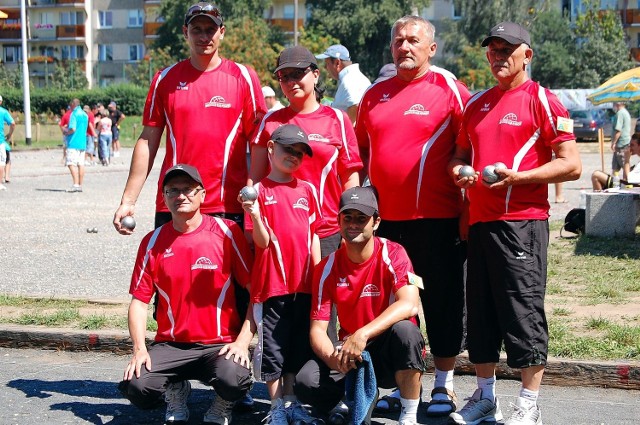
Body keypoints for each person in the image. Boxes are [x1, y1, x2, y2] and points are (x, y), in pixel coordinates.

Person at [448, 22, 581, 425]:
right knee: (482, 314)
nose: (499, 57)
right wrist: (461, 173)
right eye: (493, 50)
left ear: (527, 54)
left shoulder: (543, 100)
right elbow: (457, 157)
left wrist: (518, 178)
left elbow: (572, 164)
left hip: (522, 223)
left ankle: (529, 403)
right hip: (482, 224)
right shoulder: (476, 104)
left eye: (508, 49)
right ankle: (485, 397)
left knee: (522, 312)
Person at [355, 15, 470, 417]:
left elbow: (467, 147)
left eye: (414, 41)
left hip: (437, 219)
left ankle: (445, 384)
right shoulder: (374, 95)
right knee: (392, 307)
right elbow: (363, 155)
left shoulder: (450, 88)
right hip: (387, 224)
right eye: (399, 41)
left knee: (441, 301)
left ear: (431, 48)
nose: (405, 47)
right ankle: (400, 386)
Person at [119, 163, 255, 424]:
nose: (180, 196)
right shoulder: (152, 241)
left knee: (235, 379)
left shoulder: (227, 232)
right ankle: (177, 389)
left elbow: (255, 293)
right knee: (137, 387)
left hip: (220, 343)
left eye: (188, 190)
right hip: (171, 344)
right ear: (164, 198)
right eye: (172, 190)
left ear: (203, 194)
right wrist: (139, 349)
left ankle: (222, 402)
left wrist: (241, 342)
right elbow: (138, 302)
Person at [113, 1, 266, 234]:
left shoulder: (244, 77)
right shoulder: (165, 79)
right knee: (171, 271)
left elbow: (259, 144)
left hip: (226, 204)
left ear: (222, 32)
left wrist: (252, 195)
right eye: (197, 30)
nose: (204, 36)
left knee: (225, 272)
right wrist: (128, 201)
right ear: (186, 32)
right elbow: (147, 141)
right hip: (175, 201)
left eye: (210, 30)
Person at [295, 186, 425, 425]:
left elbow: (410, 304)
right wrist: (335, 360)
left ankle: (408, 416)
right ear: (339, 221)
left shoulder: (394, 252)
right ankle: (348, 399)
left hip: (385, 348)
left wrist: (361, 334)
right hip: (351, 352)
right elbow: (317, 330)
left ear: (376, 222)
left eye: (361, 218)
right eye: (348, 217)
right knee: (306, 381)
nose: (353, 224)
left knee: (407, 332)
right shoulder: (326, 267)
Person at [241, 124, 322, 425]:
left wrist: (317, 278)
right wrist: (254, 214)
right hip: (272, 284)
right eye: (289, 149)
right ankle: (276, 406)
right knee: (273, 348)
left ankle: (292, 402)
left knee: (295, 347)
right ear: (272, 148)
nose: (294, 156)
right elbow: (260, 242)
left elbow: (313, 235)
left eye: (300, 153)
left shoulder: (307, 190)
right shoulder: (259, 192)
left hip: (302, 286)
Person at [251, 45, 362, 259]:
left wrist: (350, 228)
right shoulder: (270, 121)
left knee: (323, 292)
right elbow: (254, 179)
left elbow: (350, 179)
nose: (291, 82)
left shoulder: (338, 120)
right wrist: (251, 229)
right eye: (284, 76)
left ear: (316, 74)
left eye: (298, 73)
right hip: (278, 230)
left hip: (327, 232)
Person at [316, 44, 371, 123]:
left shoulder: (350, 79)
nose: (325, 68)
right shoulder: (353, 78)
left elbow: (355, 105)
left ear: (337, 63)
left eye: (327, 64)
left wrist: (345, 131)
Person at [64, 98, 89, 193]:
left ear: (73, 104)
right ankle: (80, 184)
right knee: (81, 164)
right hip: (82, 142)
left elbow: (73, 128)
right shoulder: (84, 114)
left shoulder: (74, 114)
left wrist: (66, 132)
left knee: (70, 163)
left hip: (73, 142)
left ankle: (75, 184)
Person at [610, 101, 632, 181]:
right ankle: (614, 181)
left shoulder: (620, 113)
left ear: (618, 104)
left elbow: (618, 130)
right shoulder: (625, 112)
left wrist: (614, 142)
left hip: (622, 144)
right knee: (615, 165)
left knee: (625, 164)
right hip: (621, 144)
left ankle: (628, 181)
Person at [0, 94, 15, 190]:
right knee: (1, 162)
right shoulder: (3, 112)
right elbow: (13, 123)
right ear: (0, 102)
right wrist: (9, 134)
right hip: (0, 141)